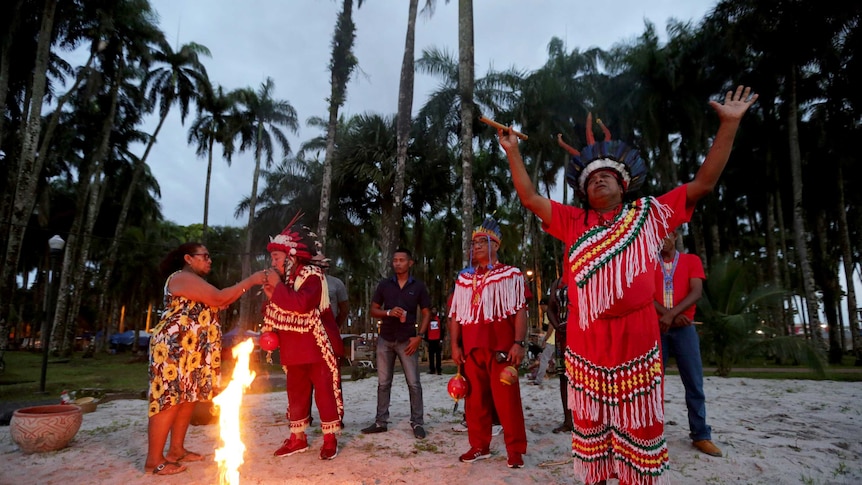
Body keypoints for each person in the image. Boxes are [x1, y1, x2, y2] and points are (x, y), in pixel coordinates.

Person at [498, 85, 758, 484]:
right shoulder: (573, 222)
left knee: (640, 425)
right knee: (591, 429)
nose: (598, 182)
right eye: (591, 179)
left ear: (623, 184)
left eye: (607, 176)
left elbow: (703, 183)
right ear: (583, 191)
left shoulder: (650, 214)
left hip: (637, 337)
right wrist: (513, 151)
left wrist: (728, 125)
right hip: (587, 343)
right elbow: (531, 197)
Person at [146, 243, 266, 475]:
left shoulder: (195, 280)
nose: (209, 260)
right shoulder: (181, 277)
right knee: (169, 400)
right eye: (205, 256)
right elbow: (219, 299)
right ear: (188, 259)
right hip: (174, 347)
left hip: (193, 349)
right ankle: (153, 460)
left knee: (188, 398)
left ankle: (176, 450)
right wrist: (251, 280)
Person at [449, 217, 529, 469]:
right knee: (474, 402)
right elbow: (456, 315)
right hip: (472, 349)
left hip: (501, 349)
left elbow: (520, 310)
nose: (476, 247)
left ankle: (515, 450)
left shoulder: (511, 274)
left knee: (508, 402)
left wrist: (518, 342)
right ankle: (479, 445)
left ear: (495, 245)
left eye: (482, 242)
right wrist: (455, 345)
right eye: (473, 243)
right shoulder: (463, 278)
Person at [262, 218, 344, 460]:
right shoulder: (284, 281)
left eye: (277, 257)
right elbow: (274, 309)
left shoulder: (313, 275)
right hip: (292, 347)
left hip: (316, 346)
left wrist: (276, 289)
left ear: (292, 257)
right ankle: (298, 438)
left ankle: (330, 438)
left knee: (324, 391)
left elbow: (302, 304)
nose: (273, 262)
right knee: (295, 392)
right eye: (273, 258)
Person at [654, 229, 722, 457]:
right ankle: (651, 434)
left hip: (684, 328)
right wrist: (667, 315)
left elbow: (696, 292)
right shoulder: (647, 263)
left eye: (665, 235)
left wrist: (672, 314)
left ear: (674, 235)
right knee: (653, 384)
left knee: (694, 382)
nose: (661, 240)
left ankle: (701, 435)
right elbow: (644, 294)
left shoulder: (691, 260)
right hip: (657, 328)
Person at [361, 248, 431, 439]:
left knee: (414, 383)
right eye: (395, 260)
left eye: (402, 260)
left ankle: (417, 423)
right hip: (386, 339)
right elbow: (373, 310)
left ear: (410, 263)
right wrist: (388, 312)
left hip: (407, 340)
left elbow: (426, 313)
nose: (397, 263)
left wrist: (420, 336)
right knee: (383, 383)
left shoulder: (418, 286)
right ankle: (380, 421)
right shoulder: (385, 285)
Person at [547, 276, 573, 434]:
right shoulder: (557, 282)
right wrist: (557, 325)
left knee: (583, 376)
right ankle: (568, 420)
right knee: (564, 377)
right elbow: (550, 308)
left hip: (581, 331)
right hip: (562, 333)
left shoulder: (584, 273)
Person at [529, 299, 555, 388]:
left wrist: (545, 339)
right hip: (551, 340)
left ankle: (538, 380)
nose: (541, 308)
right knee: (547, 359)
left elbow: (551, 327)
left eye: (542, 306)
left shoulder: (549, 313)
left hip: (551, 340)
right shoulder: (547, 314)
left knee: (544, 360)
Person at [426, 307, 444, 375]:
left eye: (435, 310)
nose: (434, 311)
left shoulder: (439, 319)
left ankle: (439, 369)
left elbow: (442, 329)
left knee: (438, 356)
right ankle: (432, 369)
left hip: (437, 340)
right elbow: (426, 330)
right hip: (430, 340)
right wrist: (426, 339)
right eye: (433, 310)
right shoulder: (428, 319)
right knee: (431, 356)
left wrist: (441, 339)